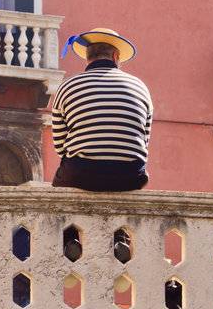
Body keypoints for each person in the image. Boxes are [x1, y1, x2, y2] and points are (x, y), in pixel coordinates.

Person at [50, 28, 152, 192]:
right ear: (116, 57)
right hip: (130, 177)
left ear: (87, 58)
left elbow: (60, 147)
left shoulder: (68, 86)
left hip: (81, 176)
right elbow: (144, 141)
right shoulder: (140, 87)